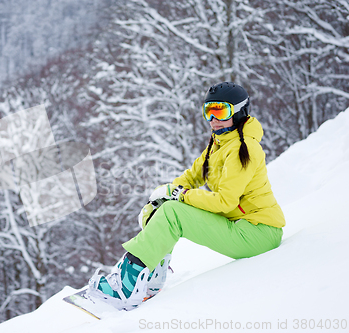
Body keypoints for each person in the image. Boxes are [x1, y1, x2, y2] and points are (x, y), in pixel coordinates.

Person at [87, 82, 286, 310]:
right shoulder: (218, 145)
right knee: (159, 210)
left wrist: (180, 196)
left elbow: (224, 201)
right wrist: (165, 193)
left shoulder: (245, 148)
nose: (212, 118)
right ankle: (150, 278)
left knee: (173, 213)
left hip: (258, 232)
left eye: (220, 111)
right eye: (207, 111)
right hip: (240, 226)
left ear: (239, 112)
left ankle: (125, 287)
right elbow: (191, 177)